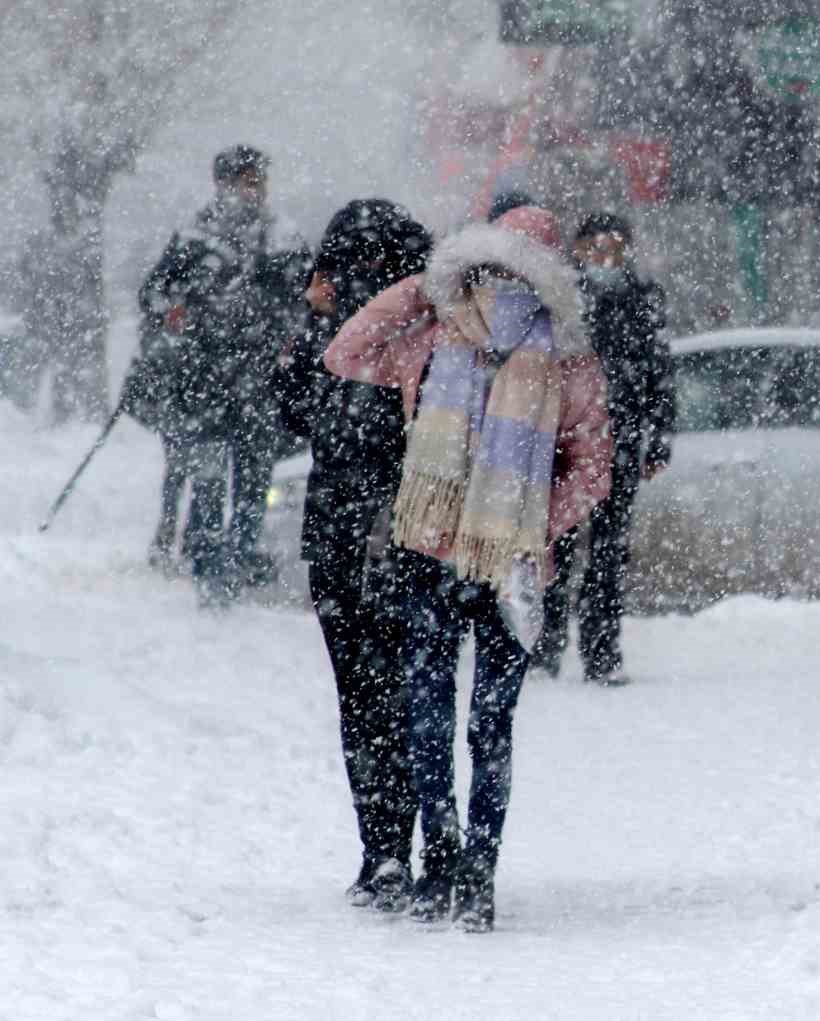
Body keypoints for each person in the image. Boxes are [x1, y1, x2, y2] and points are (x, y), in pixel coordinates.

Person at [324, 204, 613, 933]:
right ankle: (470, 868)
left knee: (442, 717)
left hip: (463, 559)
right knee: (481, 723)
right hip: (481, 563)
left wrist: (522, 523)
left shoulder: (450, 338)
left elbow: (347, 350)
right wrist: (529, 524)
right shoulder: (482, 342)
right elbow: (346, 352)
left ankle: (452, 864)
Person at [275, 199, 432, 911]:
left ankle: (388, 845)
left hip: (372, 533)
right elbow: (290, 411)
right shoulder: (417, 328)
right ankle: (401, 844)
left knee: (372, 700)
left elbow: (290, 411)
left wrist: (313, 320)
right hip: (387, 534)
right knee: (394, 696)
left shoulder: (401, 334)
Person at [134, 144, 308, 601]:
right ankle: (210, 562)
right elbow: (153, 294)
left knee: (252, 482)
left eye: (258, 181)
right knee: (209, 478)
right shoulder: (195, 236)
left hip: (258, 382)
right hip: (203, 381)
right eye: (245, 181)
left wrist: (289, 334)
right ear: (223, 184)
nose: (253, 191)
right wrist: (176, 310)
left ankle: (236, 559)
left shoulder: (282, 237)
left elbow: (306, 302)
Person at [530, 212, 673, 686]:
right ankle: (545, 646)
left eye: (615, 247)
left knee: (609, 553)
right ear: (579, 249)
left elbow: (660, 371)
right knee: (558, 548)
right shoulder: (562, 298)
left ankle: (602, 652)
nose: (605, 258)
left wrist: (659, 440)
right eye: (596, 248)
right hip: (567, 442)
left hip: (621, 440)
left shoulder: (643, 298)